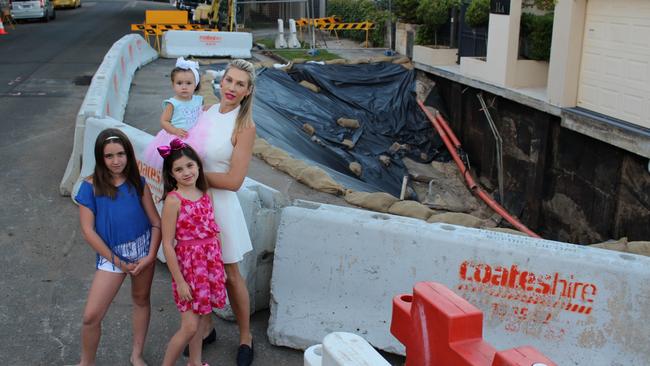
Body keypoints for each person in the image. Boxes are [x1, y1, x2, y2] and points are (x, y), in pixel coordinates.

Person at [74, 128, 161, 366]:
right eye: (109, 156)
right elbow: (88, 232)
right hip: (111, 256)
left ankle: (137, 354)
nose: (116, 161)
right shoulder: (90, 187)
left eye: (121, 154)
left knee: (141, 300)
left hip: (142, 252)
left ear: (129, 154)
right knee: (91, 316)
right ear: (100, 158)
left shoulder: (138, 183)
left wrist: (151, 256)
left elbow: (155, 223)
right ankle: (86, 362)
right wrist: (119, 262)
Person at [194, 59, 257, 366]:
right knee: (199, 269)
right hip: (194, 206)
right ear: (221, 81)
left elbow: (234, 181)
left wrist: (193, 178)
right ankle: (206, 329)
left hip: (221, 206)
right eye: (229, 80)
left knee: (232, 276)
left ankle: (246, 337)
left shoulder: (245, 127)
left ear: (247, 92)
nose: (231, 88)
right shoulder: (204, 112)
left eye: (240, 84)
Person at [159, 139, 227, 366]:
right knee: (189, 326)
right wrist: (179, 281)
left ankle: (195, 363)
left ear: (198, 165)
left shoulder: (206, 194)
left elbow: (214, 231)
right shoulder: (173, 200)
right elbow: (168, 243)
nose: (186, 172)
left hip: (209, 266)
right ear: (171, 174)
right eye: (178, 169)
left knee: (198, 320)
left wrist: (220, 268)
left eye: (190, 165)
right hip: (189, 270)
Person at [142, 57, 209, 171]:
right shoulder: (173, 103)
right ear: (173, 85)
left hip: (194, 136)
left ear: (195, 85)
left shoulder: (198, 100)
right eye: (179, 83)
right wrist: (175, 131)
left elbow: (200, 112)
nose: (184, 87)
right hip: (175, 137)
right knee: (176, 163)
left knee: (196, 161)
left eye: (188, 83)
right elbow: (164, 121)